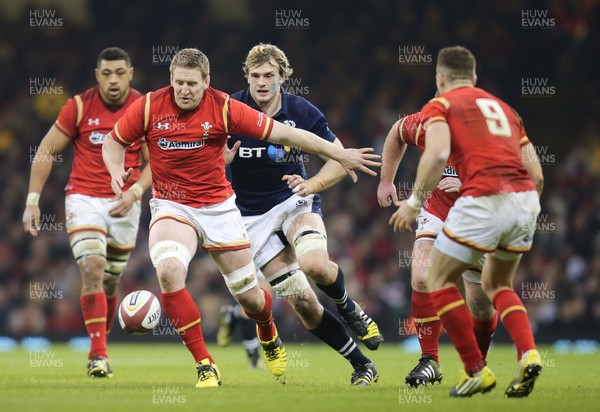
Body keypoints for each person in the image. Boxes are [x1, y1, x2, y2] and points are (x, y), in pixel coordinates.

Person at [101, 48, 380, 388]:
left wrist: (340, 154)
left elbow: (287, 135)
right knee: (170, 269)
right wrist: (116, 171)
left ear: (207, 82)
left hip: (232, 208)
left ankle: (272, 326)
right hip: (179, 206)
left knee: (262, 295)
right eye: (178, 83)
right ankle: (206, 365)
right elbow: (114, 141)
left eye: (191, 83)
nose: (184, 90)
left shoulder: (226, 108)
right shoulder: (148, 107)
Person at [220, 43, 383, 386]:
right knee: (304, 303)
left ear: (283, 77)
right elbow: (205, 161)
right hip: (250, 218)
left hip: (295, 201)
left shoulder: (302, 111)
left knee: (314, 265)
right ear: (246, 77)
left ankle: (347, 304)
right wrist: (221, 163)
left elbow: (339, 159)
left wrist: (313, 184)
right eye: (255, 76)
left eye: (269, 75)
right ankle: (361, 364)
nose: (261, 82)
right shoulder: (229, 110)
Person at [390, 46, 544, 398]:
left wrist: (413, 202)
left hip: (481, 200)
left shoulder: (441, 105)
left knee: (437, 278)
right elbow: (536, 174)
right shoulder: (506, 111)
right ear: (474, 79)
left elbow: (439, 153)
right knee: (498, 286)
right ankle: (529, 353)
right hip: (524, 200)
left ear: (440, 79)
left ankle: (476, 370)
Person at [22, 47, 151, 378]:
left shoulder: (144, 108)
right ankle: (99, 355)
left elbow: (156, 163)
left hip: (125, 203)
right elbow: (47, 149)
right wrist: (32, 199)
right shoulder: (78, 107)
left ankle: (98, 346)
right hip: (84, 200)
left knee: (109, 284)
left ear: (130, 74)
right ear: (97, 75)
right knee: (92, 268)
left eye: (120, 73)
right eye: (106, 73)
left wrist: (136, 191)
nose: (113, 80)